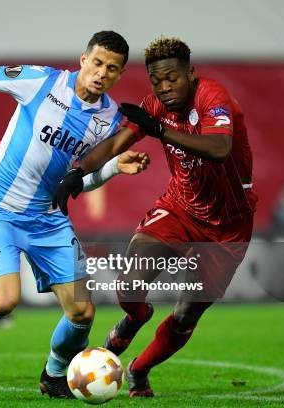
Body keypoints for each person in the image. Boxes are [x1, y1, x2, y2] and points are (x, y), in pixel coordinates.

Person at [0, 31, 148, 398]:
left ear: (119, 74)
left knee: (82, 314)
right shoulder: (42, 81)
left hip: (49, 218)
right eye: (98, 63)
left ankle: (53, 374)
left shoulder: (108, 119)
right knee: (3, 301)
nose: (102, 73)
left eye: (113, 68)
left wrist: (113, 169)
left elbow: (75, 183)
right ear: (83, 59)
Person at [53, 36, 257, 397]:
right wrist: (77, 173)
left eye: (172, 79)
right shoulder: (155, 107)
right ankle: (136, 316)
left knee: (185, 315)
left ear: (190, 74)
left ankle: (138, 370)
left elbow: (220, 149)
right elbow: (116, 143)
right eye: (156, 82)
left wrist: (160, 129)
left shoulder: (212, 96)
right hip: (179, 209)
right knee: (129, 286)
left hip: (228, 227)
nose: (164, 88)